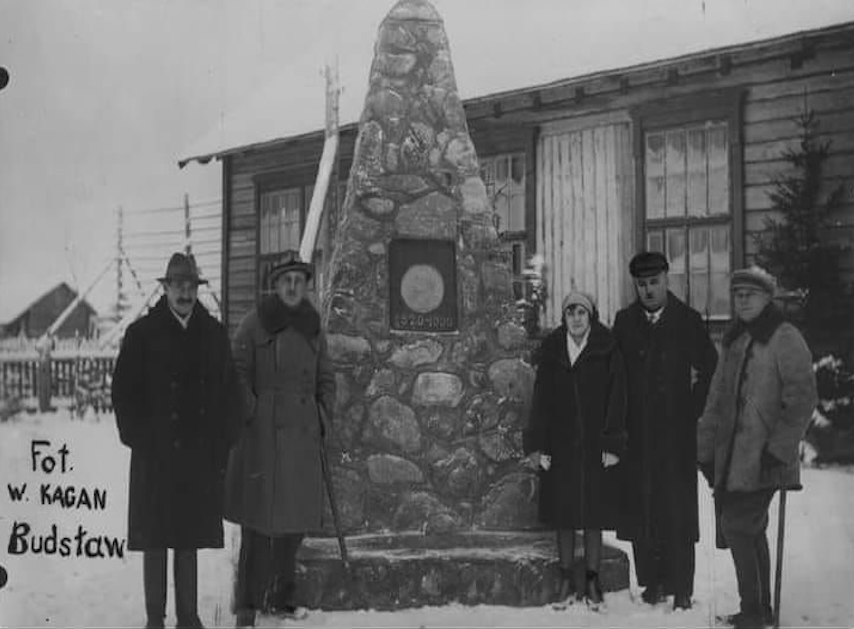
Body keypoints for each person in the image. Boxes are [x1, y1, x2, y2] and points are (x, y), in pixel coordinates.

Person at [112, 252, 241, 629]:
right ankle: (155, 619)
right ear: (165, 288)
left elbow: (231, 394)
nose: (184, 293)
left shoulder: (213, 334)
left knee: (188, 539)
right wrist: (138, 437)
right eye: (177, 286)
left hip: (198, 458)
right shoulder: (141, 334)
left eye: (190, 286)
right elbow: (123, 393)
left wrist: (222, 443)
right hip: (155, 456)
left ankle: (189, 617)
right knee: (155, 540)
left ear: (197, 290)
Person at [697, 267, 817, 629]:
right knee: (749, 528)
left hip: (765, 458)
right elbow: (716, 400)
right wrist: (705, 451)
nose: (743, 300)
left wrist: (778, 449)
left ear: (768, 298)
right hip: (733, 459)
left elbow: (802, 399)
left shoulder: (784, 337)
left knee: (736, 527)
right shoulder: (733, 340)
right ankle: (759, 609)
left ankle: (752, 611)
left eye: (751, 294)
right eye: (738, 294)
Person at [224, 251, 336, 628]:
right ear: (275, 285)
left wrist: (321, 416)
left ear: (306, 286)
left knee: (292, 526)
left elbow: (327, 380)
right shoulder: (254, 325)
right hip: (262, 441)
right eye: (285, 280)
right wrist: (253, 411)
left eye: (299, 281)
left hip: (301, 440)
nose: (292, 287)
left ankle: (281, 598)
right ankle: (246, 605)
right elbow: (236, 374)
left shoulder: (313, 327)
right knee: (256, 525)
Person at [612, 251, 718, 610]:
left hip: (676, 434)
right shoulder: (624, 322)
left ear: (666, 280)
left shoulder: (687, 320)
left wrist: (692, 408)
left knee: (677, 508)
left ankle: (682, 585)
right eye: (641, 284)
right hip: (638, 434)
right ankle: (652, 583)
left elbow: (709, 367)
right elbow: (615, 375)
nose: (648, 290)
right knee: (643, 506)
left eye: (654, 282)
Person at [524, 291, 627, 610]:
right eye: (570, 313)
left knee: (593, 513)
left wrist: (612, 443)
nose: (576, 318)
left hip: (596, 446)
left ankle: (593, 579)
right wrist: (538, 446)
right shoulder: (554, 351)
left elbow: (617, 398)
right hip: (561, 446)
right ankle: (567, 577)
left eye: (581, 312)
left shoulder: (606, 348)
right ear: (564, 318)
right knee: (564, 514)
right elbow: (540, 401)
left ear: (591, 316)